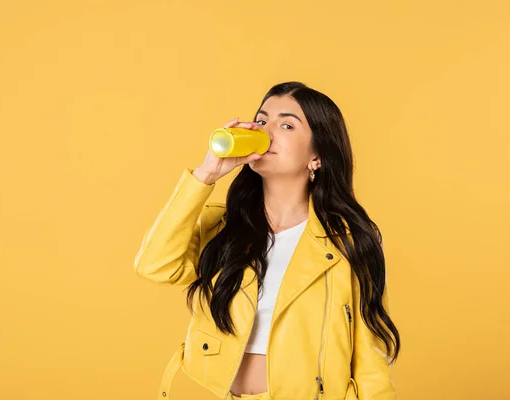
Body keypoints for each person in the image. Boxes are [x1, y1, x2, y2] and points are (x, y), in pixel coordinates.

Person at [133, 81, 401, 400]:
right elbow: (154, 265)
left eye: (286, 124)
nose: (267, 131)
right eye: (261, 121)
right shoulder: (223, 227)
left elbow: (371, 359)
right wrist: (206, 174)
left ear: (316, 157)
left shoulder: (349, 243)